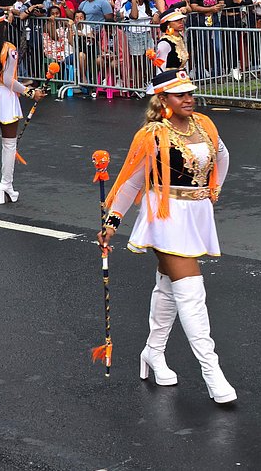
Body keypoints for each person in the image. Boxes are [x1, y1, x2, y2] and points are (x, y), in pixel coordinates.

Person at [97, 70, 236, 405]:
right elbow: (133, 180)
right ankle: (211, 371)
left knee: (168, 287)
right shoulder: (153, 135)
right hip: (165, 215)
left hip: (196, 213)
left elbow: (222, 156)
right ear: (162, 100)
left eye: (190, 93)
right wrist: (112, 221)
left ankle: (153, 351)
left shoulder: (204, 124)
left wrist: (211, 191)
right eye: (180, 95)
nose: (189, 99)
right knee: (191, 291)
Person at [0, 9, 45, 211]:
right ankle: (6, 185)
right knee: (9, 145)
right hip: (6, 98)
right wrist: (30, 92)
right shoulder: (9, 48)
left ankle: (4, 188)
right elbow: (8, 80)